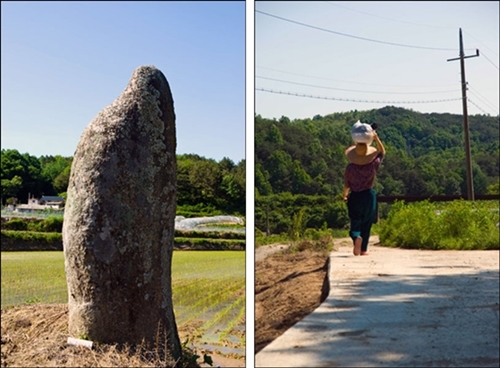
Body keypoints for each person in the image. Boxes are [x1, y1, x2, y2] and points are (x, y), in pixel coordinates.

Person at [342, 121, 385, 256]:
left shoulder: (350, 168)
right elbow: (382, 152)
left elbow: (346, 185)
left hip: (355, 196)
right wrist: (376, 138)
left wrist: (344, 196)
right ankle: (364, 250)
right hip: (369, 195)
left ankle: (356, 237)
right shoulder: (373, 165)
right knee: (367, 223)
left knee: (355, 220)